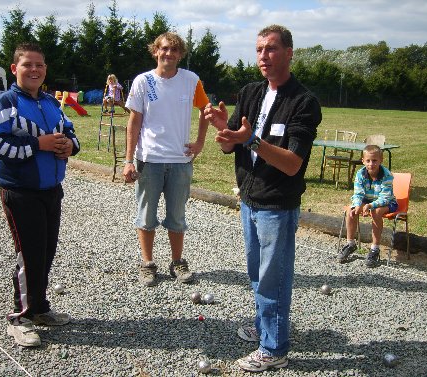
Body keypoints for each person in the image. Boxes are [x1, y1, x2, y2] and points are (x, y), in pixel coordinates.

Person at [204, 25, 322, 372]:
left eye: (271, 49)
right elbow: (231, 144)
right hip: (249, 199)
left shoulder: (303, 102)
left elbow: (292, 164)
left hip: (277, 205)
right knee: (258, 274)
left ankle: (274, 348)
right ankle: (264, 327)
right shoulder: (251, 92)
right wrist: (224, 132)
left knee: (274, 278)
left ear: (289, 53)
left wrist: (251, 139)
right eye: (259, 50)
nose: (263, 56)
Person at [0, 42, 80, 347]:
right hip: (20, 192)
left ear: (45, 69)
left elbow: (70, 133)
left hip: (52, 190)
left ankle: (39, 309)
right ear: (15, 69)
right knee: (29, 255)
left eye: (39, 65)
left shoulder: (51, 103)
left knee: (46, 252)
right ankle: (19, 317)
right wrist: (40, 145)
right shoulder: (5, 104)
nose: (34, 70)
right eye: (27, 65)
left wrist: (68, 147)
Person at [123, 32, 210, 287]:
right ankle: (148, 263)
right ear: (155, 51)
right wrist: (129, 160)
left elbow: (206, 111)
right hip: (149, 159)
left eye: (174, 50)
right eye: (163, 49)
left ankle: (178, 262)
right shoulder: (143, 81)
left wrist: (200, 142)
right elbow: (134, 121)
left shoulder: (190, 80)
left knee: (177, 216)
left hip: (180, 160)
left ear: (180, 54)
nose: (168, 54)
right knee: (146, 215)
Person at [337, 144, 397, 267]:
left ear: (381, 160)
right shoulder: (360, 174)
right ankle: (350, 244)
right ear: (363, 161)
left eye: (374, 161)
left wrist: (370, 206)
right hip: (367, 200)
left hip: (387, 203)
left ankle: (375, 249)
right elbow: (358, 193)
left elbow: (385, 198)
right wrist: (358, 205)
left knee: (376, 212)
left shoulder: (387, 175)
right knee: (351, 211)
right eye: (368, 161)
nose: (371, 164)